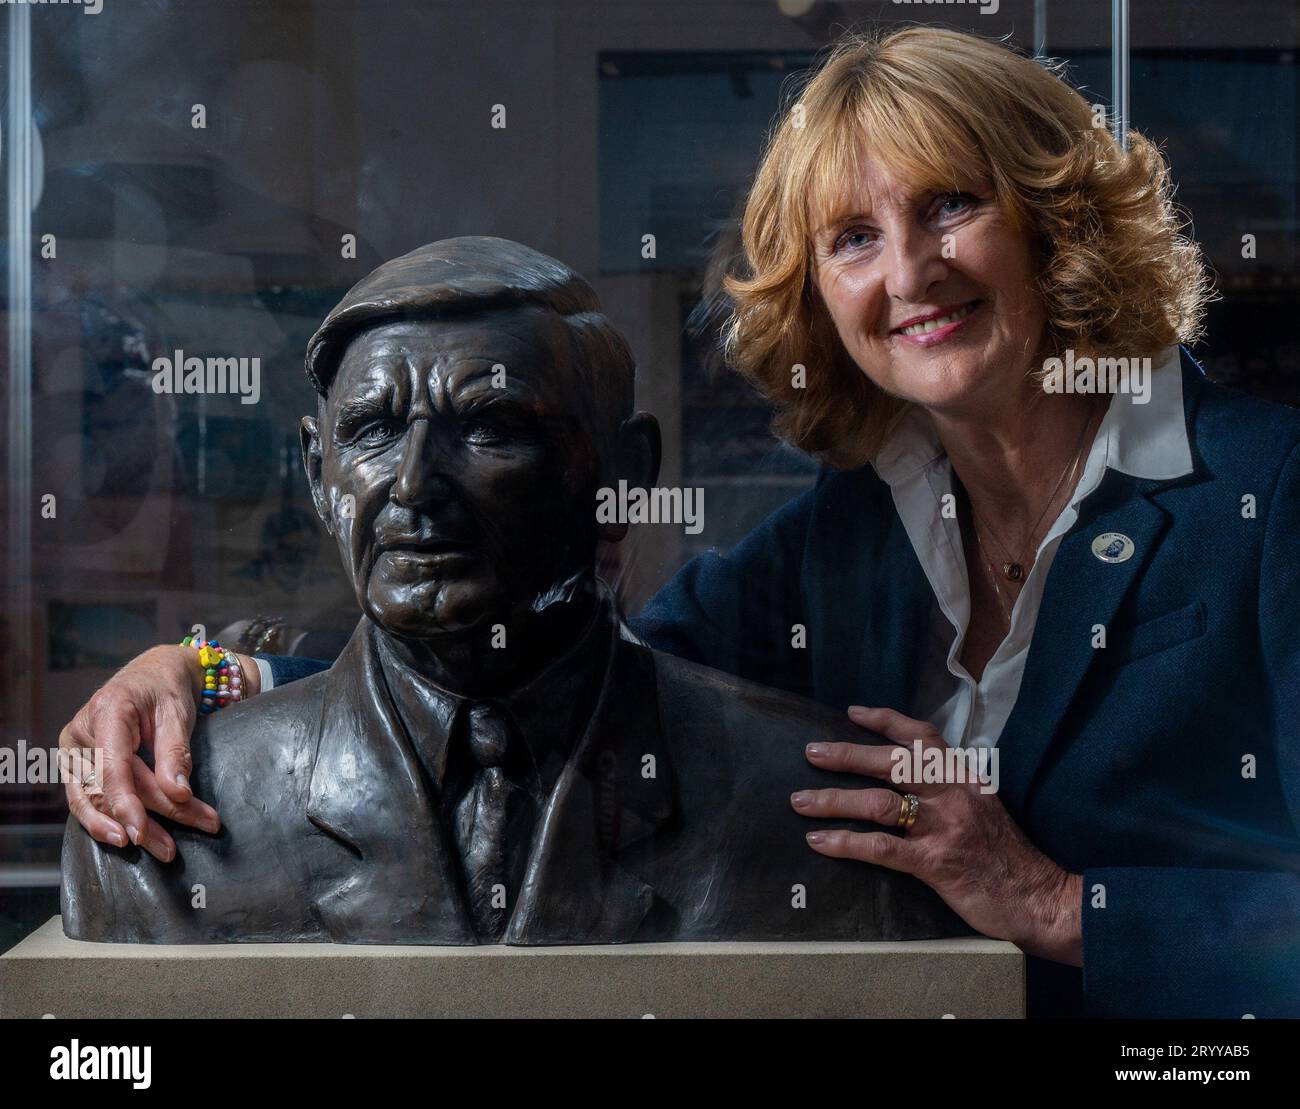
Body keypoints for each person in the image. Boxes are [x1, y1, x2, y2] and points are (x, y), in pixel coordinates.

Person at [60, 27, 1300, 1016]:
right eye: (853, 238)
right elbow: (561, 660)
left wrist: (1058, 902)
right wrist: (207, 672)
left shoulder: (1268, 489)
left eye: (952, 206)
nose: (907, 273)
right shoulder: (861, 528)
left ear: (1054, 218)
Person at [61, 236, 965, 947]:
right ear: (316, 473)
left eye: (491, 426)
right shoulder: (157, 831)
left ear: (623, 471)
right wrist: (205, 671)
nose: (414, 485)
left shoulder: (822, 817)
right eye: (373, 430)